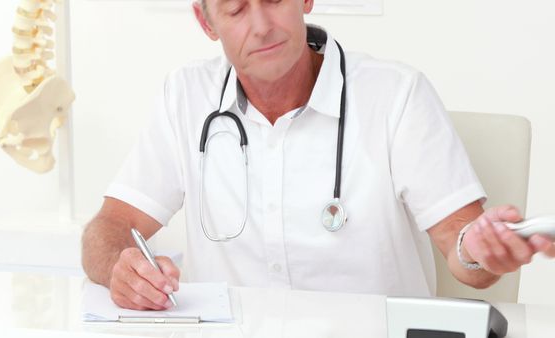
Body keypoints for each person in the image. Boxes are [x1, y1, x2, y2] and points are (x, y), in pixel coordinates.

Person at [81, 0, 555, 311]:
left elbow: (463, 248)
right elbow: (108, 227)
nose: (262, 26)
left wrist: (482, 252)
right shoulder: (184, 96)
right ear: (207, 23)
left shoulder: (396, 95)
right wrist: (120, 267)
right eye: (237, 9)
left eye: (274, 0)